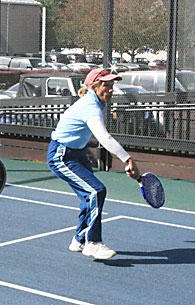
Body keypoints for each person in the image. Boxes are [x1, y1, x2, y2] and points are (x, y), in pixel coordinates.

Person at [47, 68, 141, 260]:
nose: (111, 89)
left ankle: (79, 239)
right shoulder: (90, 105)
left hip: (78, 153)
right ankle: (93, 243)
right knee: (96, 191)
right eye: (106, 85)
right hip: (61, 155)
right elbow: (104, 138)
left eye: (112, 85)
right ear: (94, 87)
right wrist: (127, 159)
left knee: (88, 196)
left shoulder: (96, 102)